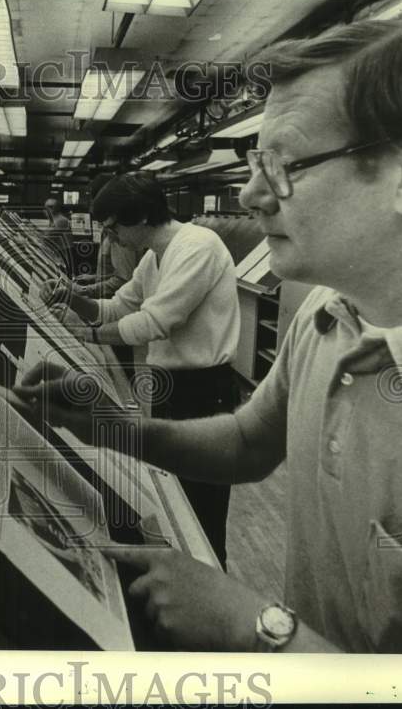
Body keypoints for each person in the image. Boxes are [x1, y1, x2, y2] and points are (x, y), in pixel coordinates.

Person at [15, 20, 402, 653]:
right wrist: (114, 426)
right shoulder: (328, 314)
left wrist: (253, 629)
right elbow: (251, 441)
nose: (250, 194)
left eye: (282, 166)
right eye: (255, 163)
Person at [39, 171, 241, 566]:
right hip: (175, 388)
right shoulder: (154, 257)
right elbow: (119, 306)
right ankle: (192, 580)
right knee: (181, 504)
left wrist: (89, 337)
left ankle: (211, 589)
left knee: (203, 510)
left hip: (205, 391)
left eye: (114, 229)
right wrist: (74, 298)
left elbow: (156, 322)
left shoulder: (197, 246)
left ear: (143, 217)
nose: (112, 239)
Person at [71, 173, 140, 300]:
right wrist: (94, 277)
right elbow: (114, 270)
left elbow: (124, 279)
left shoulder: (119, 234)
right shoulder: (109, 230)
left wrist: (85, 290)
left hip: (115, 303)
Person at [42, 195, 74, 273]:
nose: (44, 211)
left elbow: (46, 238)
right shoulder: (56, 220)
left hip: (62, 261)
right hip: (60, 258)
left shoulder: (60, 221)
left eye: (46, 209)